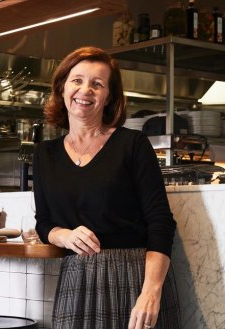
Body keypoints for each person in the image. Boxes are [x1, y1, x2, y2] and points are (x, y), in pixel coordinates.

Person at [33, 47, 180, 329]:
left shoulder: (132, 144)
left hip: (134, 278)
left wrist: (151, 292)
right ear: (62, 86)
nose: (85, 90)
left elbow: (160, 222)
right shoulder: (45, 154)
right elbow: (44, 223)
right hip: (78, 280)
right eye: (77, 80)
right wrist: (63, 236)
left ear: (109, 96)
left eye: (97, 84)